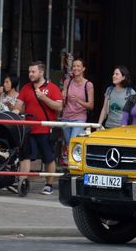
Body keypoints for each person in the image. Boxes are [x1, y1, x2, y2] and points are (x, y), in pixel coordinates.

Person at [12, 61, 63, 195]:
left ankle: (49, 185)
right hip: (28, 129)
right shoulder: (26, 88)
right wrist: (16, 110)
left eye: (33, 72)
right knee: (25, 156)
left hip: (46, 129)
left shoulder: (53, 88)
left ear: (41, 72)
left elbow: (59, 107)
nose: (30, 74)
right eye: (29, 72)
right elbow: (18, 104)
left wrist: (44, 98)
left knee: (48, 158)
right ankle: (22, 183)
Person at [61, 58, 94, 143]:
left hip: (79, 118)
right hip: (66, 117)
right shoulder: (67, 82)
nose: (76, 68)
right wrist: (63, 97)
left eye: (78, 66)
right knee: (69, 144)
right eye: (74, 66)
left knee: (74, 142)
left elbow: (91, 106)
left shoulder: (88, 85)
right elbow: (63, 102)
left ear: (83, 68)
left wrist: (78, 100)